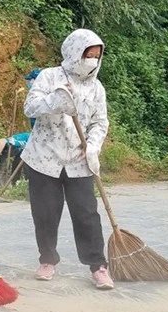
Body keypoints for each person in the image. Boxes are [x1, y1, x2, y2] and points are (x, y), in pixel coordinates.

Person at [22, 29, 113, 290]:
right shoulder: (49, 77)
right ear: (74, 52)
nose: (92, 61)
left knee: (87, 213)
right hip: (44, 157)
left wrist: (93, 146)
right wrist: (55, 100)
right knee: (45, 213)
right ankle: (47, 259)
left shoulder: (96, 88)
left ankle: (98, 265)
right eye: (88, 55)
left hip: (78, 160)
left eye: (96, 56)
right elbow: (30, 107)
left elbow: (100, 122)